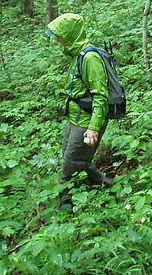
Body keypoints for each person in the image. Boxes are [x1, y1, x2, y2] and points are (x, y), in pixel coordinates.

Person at [45, 13, 112, 200]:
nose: (57, 40)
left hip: (86, 121)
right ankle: (107, 186)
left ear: (69, 33)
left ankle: (62, 212)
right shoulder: (77, 54)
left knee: (69, 168)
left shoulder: (90, 58)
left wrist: (93, 128)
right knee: (75, 159)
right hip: (74, 118)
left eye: (59, 35)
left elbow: (101, 95)